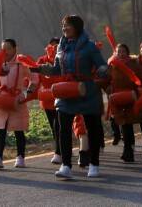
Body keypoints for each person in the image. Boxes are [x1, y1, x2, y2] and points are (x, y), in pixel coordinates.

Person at [37, 15, 109, 179]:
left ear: (77, 27)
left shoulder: (90, 47)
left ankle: (94, 164)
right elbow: (57, 69)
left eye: (67, 25)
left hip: (87, 91)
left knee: (93, 129)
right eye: (63, 25)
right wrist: (40, 69)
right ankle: (66, 165)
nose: (64, 28)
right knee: (63, 129)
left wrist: (105, 70)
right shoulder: (61, 47)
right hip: (67, 91)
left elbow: (101, 65)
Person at [0, 39, 38, 169]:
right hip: (1, 101)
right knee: (0, 128)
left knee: (18, 129)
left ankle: (20, 156)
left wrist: (26, 94)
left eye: (8, 48)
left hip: (17, 100)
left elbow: (34, 78)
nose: (6, 52)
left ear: (15, 48)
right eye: (3, 49)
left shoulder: (22, 63)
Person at [107, 43, 142, 163]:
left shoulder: (133, 64)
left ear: (127, 53)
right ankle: (128, 149)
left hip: (130, 96)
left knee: (127, 124)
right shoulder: (112, 65)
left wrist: (138, 93)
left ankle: (128, 151)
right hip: (116, 98)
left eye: (123, 51)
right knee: (122, 124)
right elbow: (107, 80)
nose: (121, 54)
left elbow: (141, 79)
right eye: (119, 51)